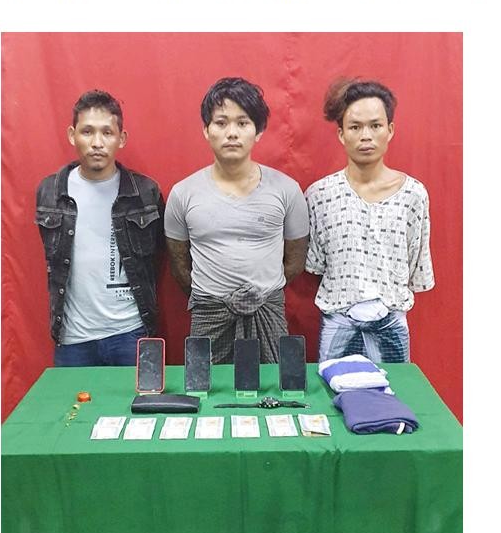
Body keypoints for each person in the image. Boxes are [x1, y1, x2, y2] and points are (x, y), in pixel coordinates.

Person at [165, 77, 309, 363]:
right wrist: (216, 295)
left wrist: (258, 293)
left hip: (267, 312)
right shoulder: (183, 194)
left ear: (258, 131)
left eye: (243, 123)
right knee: (205, 386)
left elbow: (295, 261)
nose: (231, 133)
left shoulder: (287, 190)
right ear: (206, 130)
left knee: (273, 386)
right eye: (221, 123)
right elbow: (179, 265)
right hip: (209, 314)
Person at [305, 78, 435, 363]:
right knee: (334, 388)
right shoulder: (319, 195)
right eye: (355, 127)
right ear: (341, 134)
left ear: (390, 130)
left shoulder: (413, 195)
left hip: (392, 323)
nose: (366, 136)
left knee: (394, 390)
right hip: (338, 323)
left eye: (375, 126)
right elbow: (316, 264)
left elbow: (416, 263)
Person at [35, 89, 164, 366]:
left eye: (107, 132)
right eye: (87, 132)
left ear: (121, 138)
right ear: (72, 135)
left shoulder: (145, 193)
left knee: (137, 396)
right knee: (71, 398)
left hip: (131, 333)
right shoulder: (50, 192)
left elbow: (158, 256)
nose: (97, 143)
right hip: (73, 338)